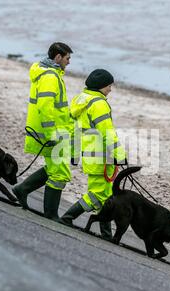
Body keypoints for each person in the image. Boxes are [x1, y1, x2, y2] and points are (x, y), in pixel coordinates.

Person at [60, 69, 126, 239]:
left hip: (89, 154)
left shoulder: (80, 100)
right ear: (101, 86)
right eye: (109, 85)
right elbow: (107, 133)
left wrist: (74, 153)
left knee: (104, 196)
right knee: (97, 194)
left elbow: (73, 130)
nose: (110, 89)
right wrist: (119, 155)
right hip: (101, 157)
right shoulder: (99, 104)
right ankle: (68, 217)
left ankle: (106, 234)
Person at [12, 42, 73, 221]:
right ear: (58, 57)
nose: (69, 63)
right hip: (52, 133)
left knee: (54, 168)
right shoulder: (50, 77)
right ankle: (51, 214)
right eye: (67, 58)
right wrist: (51, 134)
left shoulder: (49, 73)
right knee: (59, 173)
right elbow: (45, 107)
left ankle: (22, 189)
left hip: (55, 131)